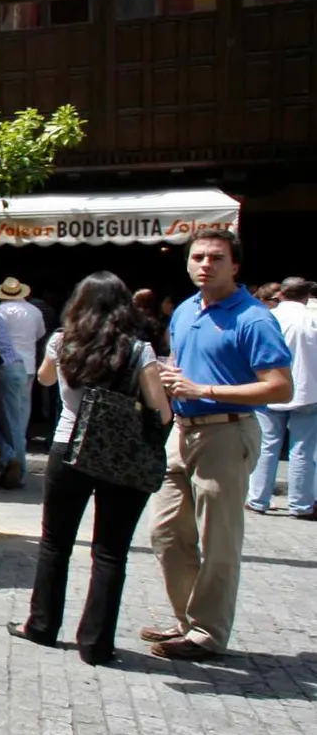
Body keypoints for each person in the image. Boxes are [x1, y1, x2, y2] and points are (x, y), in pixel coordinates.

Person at [11, 272, 172, 666]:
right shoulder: (139, 351)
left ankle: (42, 626)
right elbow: (162, 411)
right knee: (110, 552)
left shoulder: (64, 341)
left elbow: (46, 379)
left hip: (68, 448)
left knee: (55, 543)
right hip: (122, 457)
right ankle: (96, 644)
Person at [146, 228, 292, 660]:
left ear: (235, 266)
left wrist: (204, 387)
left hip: (226, 432)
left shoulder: (254, 318)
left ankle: (207, 632)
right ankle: (186, 619)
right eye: (198, 257)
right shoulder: (187, 310)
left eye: (215, 258)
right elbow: (181, 365)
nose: (205, 264)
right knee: (166, 532)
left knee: (219, 539)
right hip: (183, 432)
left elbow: (280, 388)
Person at [246, 276, 317, 517]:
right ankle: (302, 504)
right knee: (303, 450)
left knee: (266, 445)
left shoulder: (268, 317)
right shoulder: (313, 318)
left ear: (281, 294)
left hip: (269, 390)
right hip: (308, 392)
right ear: (306, 296)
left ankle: (257, 499)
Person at [0, 276, 45, 489]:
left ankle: (14, 463)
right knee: (18, 421)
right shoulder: (34, 311)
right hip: (27, 367)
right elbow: (40, 334)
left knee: (4, 422)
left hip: (5, 368)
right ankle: (11, 461)